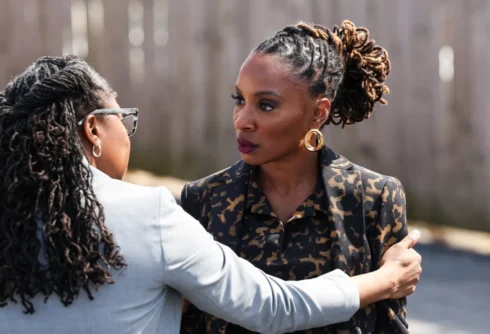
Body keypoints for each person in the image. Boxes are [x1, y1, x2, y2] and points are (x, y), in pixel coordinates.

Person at [0, 55, 421, 334]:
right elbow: (271, 307)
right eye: (123, 119)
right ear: (93, 128)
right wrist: (384, 280)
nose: (244, 120)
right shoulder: (149, 214)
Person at [180, 20, 416, 334]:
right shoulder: (203, 199)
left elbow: (390, 326)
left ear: (318, 112)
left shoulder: (373, 197)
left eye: (265, 105)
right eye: (239, 100)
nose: (242, 120)